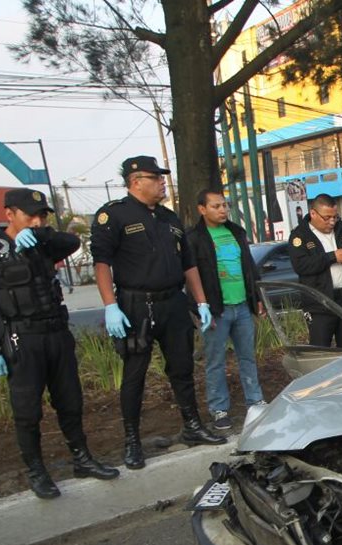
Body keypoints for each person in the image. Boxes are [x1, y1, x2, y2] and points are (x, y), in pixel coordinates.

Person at [0, 188, 119, 498]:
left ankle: (82, 458)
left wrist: (41, 236)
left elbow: (73, 242)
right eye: (30, 216)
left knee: (70, 401)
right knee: (27, 411)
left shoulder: (44, 243)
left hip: (56, 334)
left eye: (42, 216)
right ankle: (36, 470)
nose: (37, 221)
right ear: (9, 214)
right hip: (21, 339)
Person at [91, 155, 225, 471]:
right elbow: (101, 264)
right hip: (136, 305)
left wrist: (201, 301)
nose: (163, 182)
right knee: (135, 374)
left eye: (163, 177)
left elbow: (188, 264)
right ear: (136, 181)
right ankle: (132, 441)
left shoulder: (169, 218)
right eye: (157, 178)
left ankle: (192, 426)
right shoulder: (115, 216)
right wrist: (110, 305)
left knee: (181, 368)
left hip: (173, 303)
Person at [185, 189, 266, 432]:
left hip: (241, 306)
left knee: (247, 357)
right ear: (202, 209)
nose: (222, 210)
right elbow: (190, 274)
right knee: (215, 361)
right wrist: (200, 308)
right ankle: (219, 409)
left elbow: (249, 267)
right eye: (216, 206)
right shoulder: (194, 238)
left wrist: (257, 298)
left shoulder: (236, 232)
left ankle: (255, 400)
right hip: (215, 310)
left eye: (224, 205)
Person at [287, 193, 342, 348]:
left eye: (335, 217)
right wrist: (333, 257)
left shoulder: (340, 229)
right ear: (313, 214)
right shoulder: (300, 235)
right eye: (327, 217)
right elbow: (301, 266)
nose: (331, 222)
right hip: (320, 304)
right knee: (320, 348)